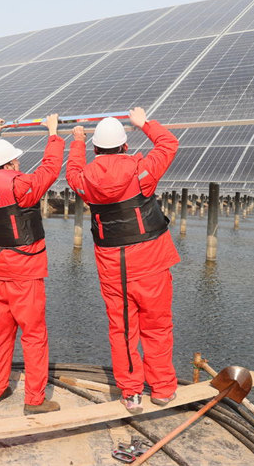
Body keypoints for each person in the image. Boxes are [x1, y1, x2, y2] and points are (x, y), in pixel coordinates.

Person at [65, 107, 180, 414]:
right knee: (157, 328)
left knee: (122, 329)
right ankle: (164, 390)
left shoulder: (86, 180)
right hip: (152, 263)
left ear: (95, 149)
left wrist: (77, 140)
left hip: (113, 268)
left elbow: (72, 173)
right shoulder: (142, 170)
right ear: (125, 146)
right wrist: (144, 124)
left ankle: (131, 393)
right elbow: (168, 144)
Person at [0, 113, 64, 415]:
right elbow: (50, 169)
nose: (18, 164)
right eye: (15, 161)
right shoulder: (20, 186)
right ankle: (35, 400)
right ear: (9, 165)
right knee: (34, 334)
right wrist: (53, 134)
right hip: (25, 271)